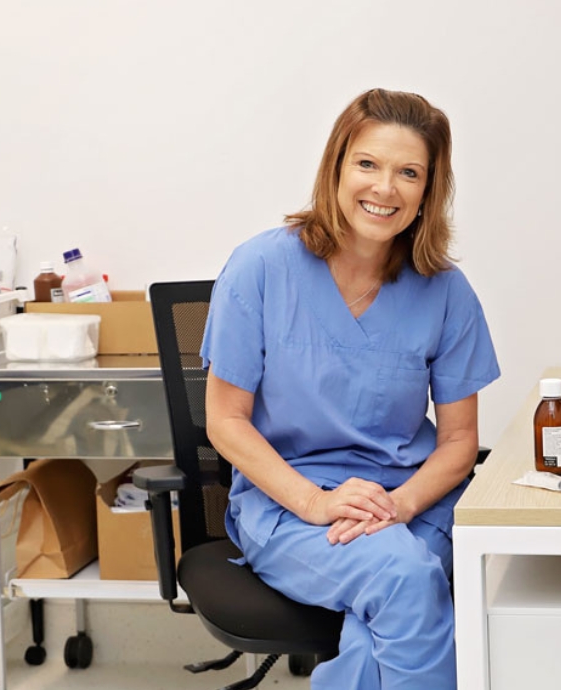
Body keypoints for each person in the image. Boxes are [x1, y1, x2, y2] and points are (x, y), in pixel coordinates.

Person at [201, 88, 500, 690]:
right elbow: (225, 420)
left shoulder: (445, 291)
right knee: (407, 581)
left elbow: (460, 440)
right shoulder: (260, 269)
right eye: (367, 164)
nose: (384, 188)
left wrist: (400, 506)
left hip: (414, 502)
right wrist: (316, 502)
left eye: (408, 172)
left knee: (392, 603)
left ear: (429, 190)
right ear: (336, 167)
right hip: (291, 504)